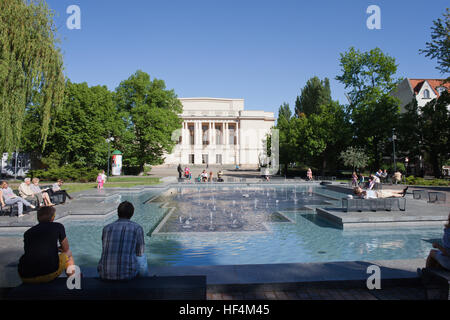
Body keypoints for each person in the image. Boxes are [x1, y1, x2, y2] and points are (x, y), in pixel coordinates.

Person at [18, 206, 75, 283]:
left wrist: (52, 248)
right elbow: (65, 248)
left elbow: (31, 251)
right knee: (68, 253)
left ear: (38, 218)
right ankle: (73, 280)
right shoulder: (58, 226)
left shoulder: (28, 232)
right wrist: (57, 249)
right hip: (48, 274)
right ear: (52, 217)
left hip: (26, 276)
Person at [98, 201, 148, 281]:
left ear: (118, 212)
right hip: (127, 275)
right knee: (142, 257)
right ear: (132, 213)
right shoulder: (137, 228)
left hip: (104, 274)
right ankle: (144, 282)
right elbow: (140, 252)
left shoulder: (106, 228)